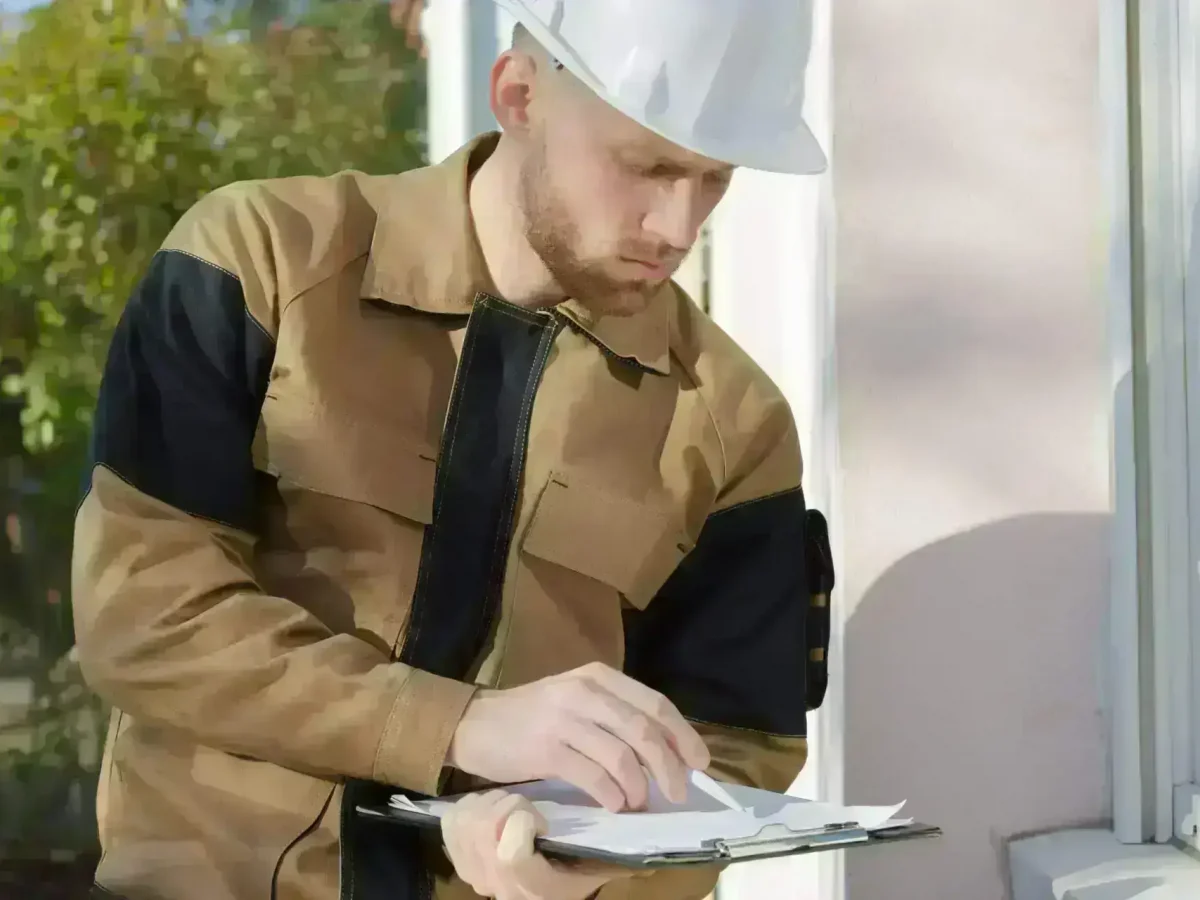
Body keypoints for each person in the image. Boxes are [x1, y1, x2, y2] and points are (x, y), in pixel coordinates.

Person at [71, 0, 832, 898]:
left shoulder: (735, 424)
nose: (677, 225)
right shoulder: (259, 264)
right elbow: (147, 613)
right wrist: (462, 726)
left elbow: (738, 752)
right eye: (648, 166)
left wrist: (596, 878)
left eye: (715, 180)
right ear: (517, 95)